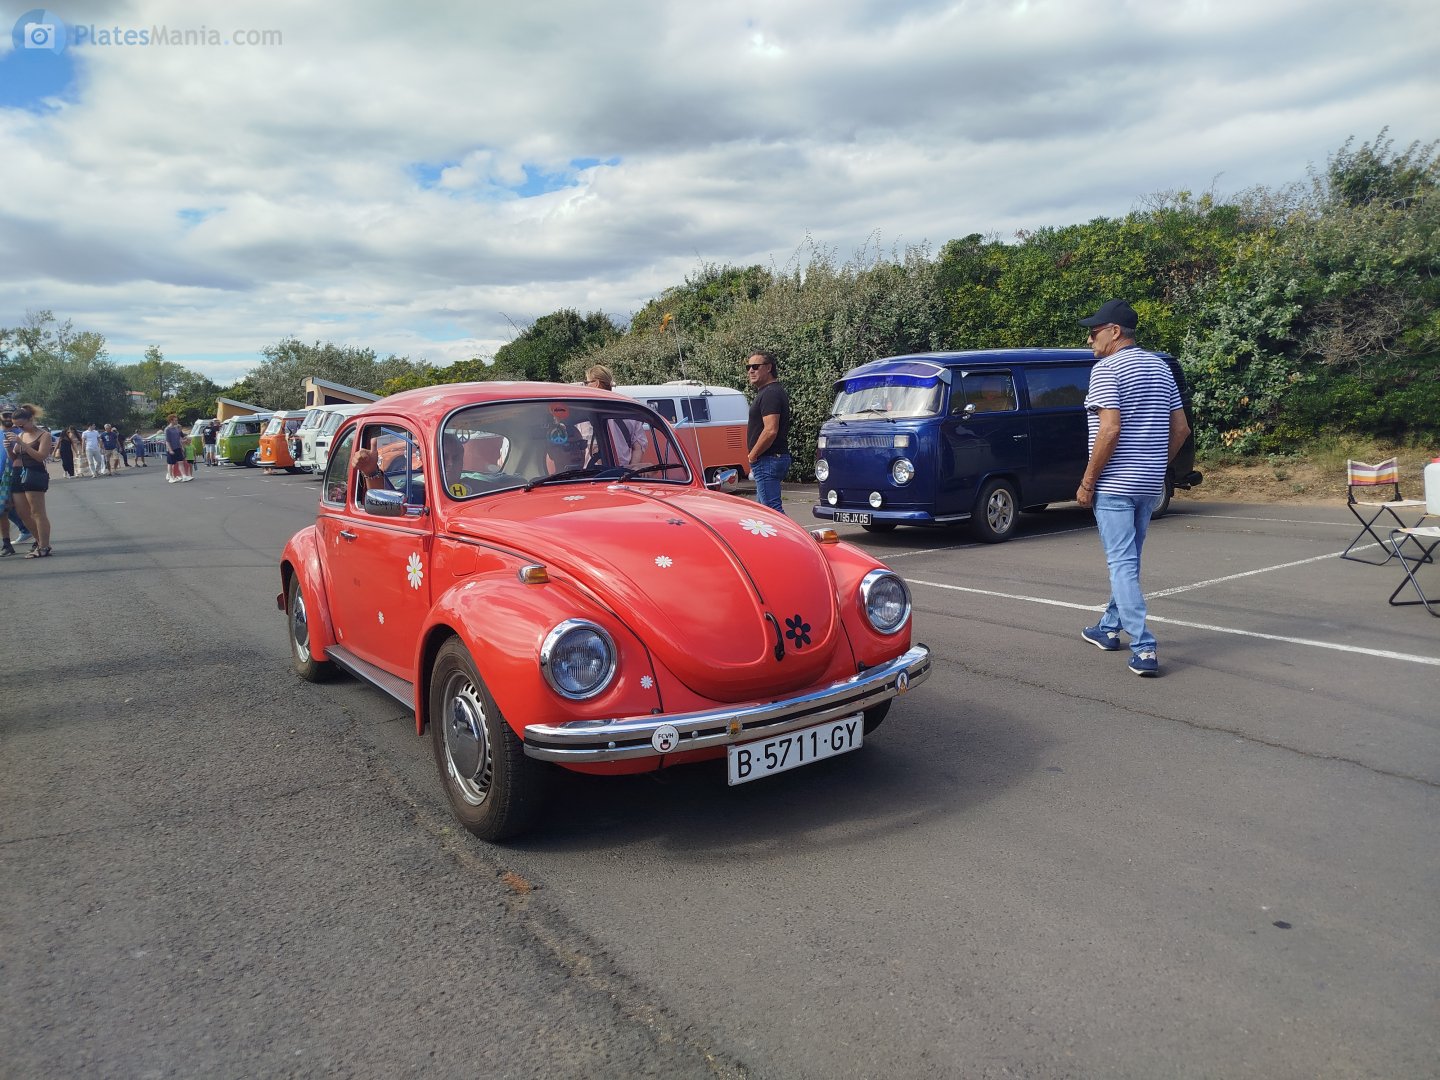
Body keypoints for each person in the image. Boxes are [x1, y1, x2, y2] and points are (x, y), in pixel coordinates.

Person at [1075, 300, 1190, 677]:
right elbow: (1181, 430)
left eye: (1094, 331)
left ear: (1115, 332)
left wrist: (1088, 481)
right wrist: (1155, 466)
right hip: (1147, 484)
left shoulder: (1106, 369)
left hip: (1115, 484)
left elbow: (1109, 429)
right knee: (1128, 560)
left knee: (1121, 563)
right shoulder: (1161, 366)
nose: (1089, 339)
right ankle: (1108, 627)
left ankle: (1143, 646)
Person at [743, 350, 792, 513]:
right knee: (762, 513)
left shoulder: (771, 393)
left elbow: (770, 430)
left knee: (773, 512)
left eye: (755, 366)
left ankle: (789, 539)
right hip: (769, 459)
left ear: (769, 367)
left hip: (767, 460)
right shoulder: (769, 392)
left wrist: (753, 455)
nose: (751, 371)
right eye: (749, 367)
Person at [7, 404, 53, 557]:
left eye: (22, 425)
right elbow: (14, 457)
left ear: (30, 419)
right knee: (22, 512)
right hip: (18, 472)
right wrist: (8, 448)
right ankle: (39, 542)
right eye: (17, 426)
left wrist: (23, 445)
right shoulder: (20, 435)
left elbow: (41, 457)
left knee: (37, 512)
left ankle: (44, 547)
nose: (20, 428)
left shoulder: (43, 435)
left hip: (34, 472)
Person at [164, 413, 193, 483]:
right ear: (171, 421)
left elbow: (180, 437)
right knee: (170, 463)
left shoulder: (177, 428)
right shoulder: (167, 429)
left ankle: (184, 476)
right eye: (175, 420)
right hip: (171, 448)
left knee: (180, 462)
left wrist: (184, 440)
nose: (177, 421)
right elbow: (167, 441)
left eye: (177, 420)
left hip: (178, 448)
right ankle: (170, 477)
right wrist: (170, 450)